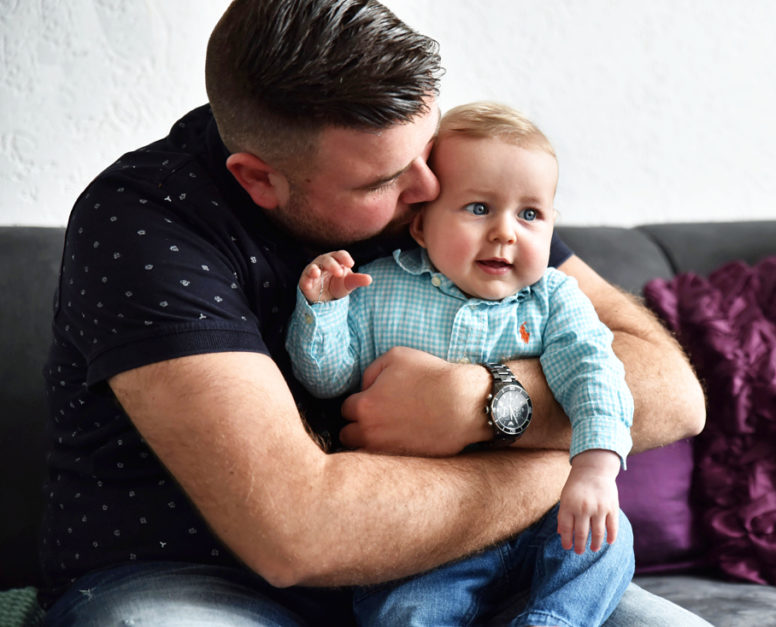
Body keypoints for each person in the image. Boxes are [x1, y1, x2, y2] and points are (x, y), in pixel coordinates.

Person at [39, 0, 707, 624]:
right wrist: (568, 461)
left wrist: (483, 402)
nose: (431, 188)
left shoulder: (435, 184)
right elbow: (295, 534)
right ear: (258, 179)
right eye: (385, 181)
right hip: (194, 576)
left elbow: (673, 393)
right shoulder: (146, 224)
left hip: (473, 553)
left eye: (427, 149)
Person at [287, 102, 634, 626]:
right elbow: (326, 379)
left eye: (530, 214)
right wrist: (326, 309)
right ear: (421, 225)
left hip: (540, 512)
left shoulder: (554, 299)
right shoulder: (379, 288)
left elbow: (594, 373)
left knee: (608, 541)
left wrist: (594, 468)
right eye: (478, 208)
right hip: (425, 534)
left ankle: (553, 621)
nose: (505, 232)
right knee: (407, 609)